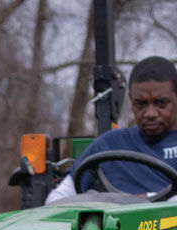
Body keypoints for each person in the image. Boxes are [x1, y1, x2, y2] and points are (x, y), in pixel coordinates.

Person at [46, 56, 177, 202]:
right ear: (131, 99)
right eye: (141, 104)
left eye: (161, 103)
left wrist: (144, 201)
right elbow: (57, 199)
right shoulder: (108, 144)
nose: (150, 113)